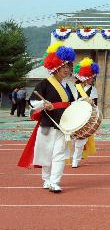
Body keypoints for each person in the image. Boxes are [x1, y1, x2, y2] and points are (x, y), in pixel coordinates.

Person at [17, 41, 77, 192]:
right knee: (46, 153)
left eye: (68, 66)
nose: (67, 69)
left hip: (64, 125)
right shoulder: (44, 84)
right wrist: (44, 105)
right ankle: (46, 179)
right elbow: (32, 102)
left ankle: (55, 182)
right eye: (64, 66)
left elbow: (73, 104)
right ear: (56, 67)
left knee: (60, 154)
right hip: (47, 124)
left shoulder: (69, 86)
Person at [70, 58, 100, 168]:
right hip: (73, 115)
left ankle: (76, 159)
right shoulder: (74, 88)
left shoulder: (93, 90)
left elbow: (95, 106)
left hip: (85, 117)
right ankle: (69, 156)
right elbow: (69, 101)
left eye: (93, 76)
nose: (93, 78)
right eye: (91, 76)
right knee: (71, 139)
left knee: (81, 140)